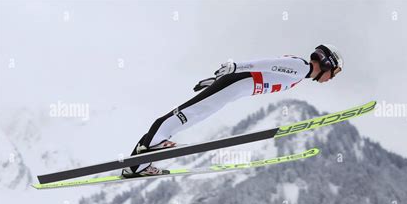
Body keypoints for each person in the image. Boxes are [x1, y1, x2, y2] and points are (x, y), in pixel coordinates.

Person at [122, 44, 343, 178]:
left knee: (193, 114)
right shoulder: (301, 67)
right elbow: (268, 64)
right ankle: (145, 152)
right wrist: (235, 67)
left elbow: (267, 69)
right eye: (334, 72)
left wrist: (220, 79)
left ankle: (137, 163)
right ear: (326, 63)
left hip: (233, 87)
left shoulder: (300, 72)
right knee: (190, 114)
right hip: (235, 84)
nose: (332, 78)